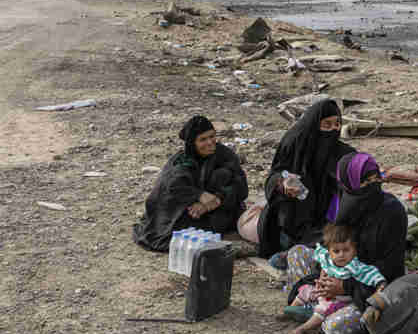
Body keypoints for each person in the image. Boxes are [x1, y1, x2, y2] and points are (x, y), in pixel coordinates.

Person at [283, 152, 407, 334]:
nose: (373, 186)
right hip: (336, 269)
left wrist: (345, 287)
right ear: (350, 185)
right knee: (297, 253)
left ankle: (319, 313)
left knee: (335, 327)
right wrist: (324, 273)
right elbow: (329, 243)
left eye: (376, 179)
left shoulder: (392, 211)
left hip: (369, 285)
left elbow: (391, 268)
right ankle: (316, 306)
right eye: (365, 182)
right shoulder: (344, 202)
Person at [257, 98, 355, 261]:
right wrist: (283, 182)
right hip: (293, 218)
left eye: (337, 124)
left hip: (327, 220)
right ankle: (293, 248)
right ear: (314, 125)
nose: (333, 129)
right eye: (327, 124)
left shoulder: (343, 153)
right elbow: (274, 176)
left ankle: (302, 251)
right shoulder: (294, 144)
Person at [133, 116, 248, 252]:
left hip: (220, 205)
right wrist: (199, 195)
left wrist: (216, 199)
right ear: (192, 143)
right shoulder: (182, 161)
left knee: (223, 179)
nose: (210, 143)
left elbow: (241, 186)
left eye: (212, 136)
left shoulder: (224, 154)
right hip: (190, 210)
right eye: (203, 140)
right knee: (179, 229)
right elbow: (173, 187)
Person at [286, 224, 386, 334]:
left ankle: (303, 328)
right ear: (330, 251)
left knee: (324, 309)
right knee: (305, 290)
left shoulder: (355, 267)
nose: (341, 255)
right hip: (321, 292)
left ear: (355, 250)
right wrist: (322, 274)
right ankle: (291, 311)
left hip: (339, 300)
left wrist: (380, 287)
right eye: (336, 251)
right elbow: (320, 255)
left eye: (346, 250)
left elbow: (375, 277)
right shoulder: (327, 258)